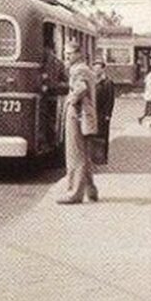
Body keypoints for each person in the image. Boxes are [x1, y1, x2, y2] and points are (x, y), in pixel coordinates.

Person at [57, 41, 99, 205]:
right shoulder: (86, 68)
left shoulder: (78, 69)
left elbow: (81, 89)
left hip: (77, 115)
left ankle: (74, 193)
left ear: (78, 54)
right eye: (66, 54)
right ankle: (90, 190)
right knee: (84, 154)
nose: (66, 57)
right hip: (86, 116)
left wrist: (71, 100)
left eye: (69, 54)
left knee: (75, 154)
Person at [93, 58, 116, 165]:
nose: (96, 70)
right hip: (93, 112)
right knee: (94, 134)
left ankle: (102, 157)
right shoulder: (93, 81)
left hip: (102, 113)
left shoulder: (107, 82)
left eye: (98, 68)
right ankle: (94, 156)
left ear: (103, 69)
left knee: (103, 135)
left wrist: (108, 114)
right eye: (95, 68)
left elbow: (110, 99)